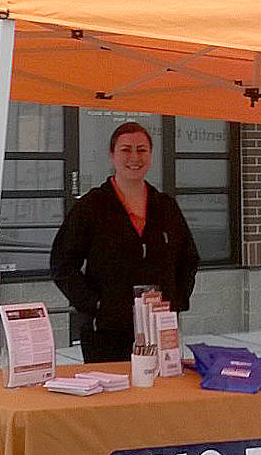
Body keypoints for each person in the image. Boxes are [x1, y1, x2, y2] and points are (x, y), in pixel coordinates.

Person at [50, 122, 200, 362]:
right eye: (126, 150)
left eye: (141, 150)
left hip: (158, 330)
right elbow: (62, 264)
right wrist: (95, 304)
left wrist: (175, 302)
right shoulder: (91, 207)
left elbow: (188, 259)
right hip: (106, 332)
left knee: (159, 387)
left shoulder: (165, 206)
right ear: (112, 155)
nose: (134, 157)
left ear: (151, 155)